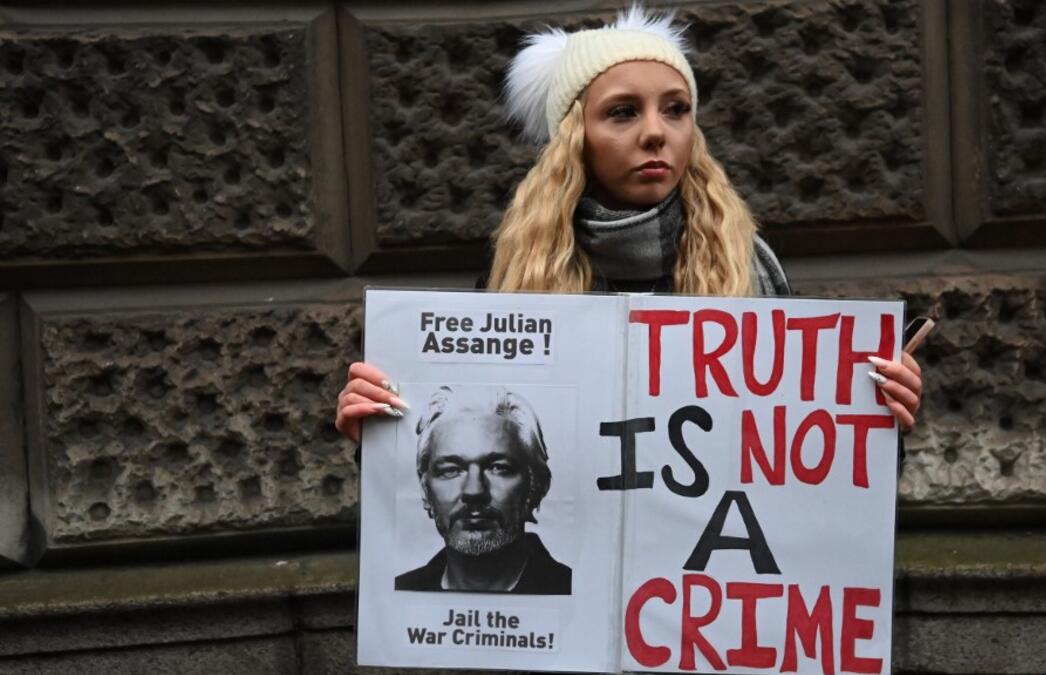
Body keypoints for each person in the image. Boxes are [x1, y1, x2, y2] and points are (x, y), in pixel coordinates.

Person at [336, 5, 923, 470]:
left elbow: (807, 472)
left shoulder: (749, 267)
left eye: (676, 109)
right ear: (574, 137)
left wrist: (876, 419)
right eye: (622, 112)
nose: (655, 133)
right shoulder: (514, 278)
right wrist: (381, 429)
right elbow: (466, 454)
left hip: (705, 596)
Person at [393, 386, 571, 594]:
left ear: (536, 485)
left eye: (499, 468)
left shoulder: (577, 592)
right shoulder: (399, 593)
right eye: (451, 470)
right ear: (425, 490)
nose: (474, 491)